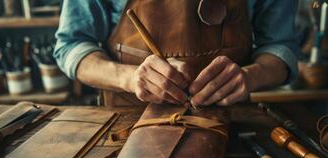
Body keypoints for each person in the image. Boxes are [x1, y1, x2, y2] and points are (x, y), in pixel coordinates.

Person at [54, 0, 298, 107]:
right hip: (128, 128)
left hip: (231, 123)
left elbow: (280, 47)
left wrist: (252, 76)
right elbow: (72, 45)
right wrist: (130, 77)